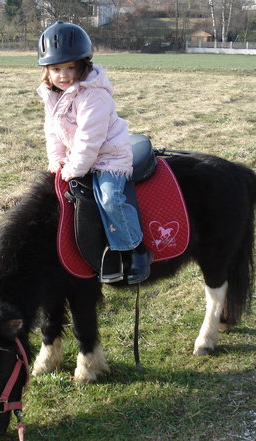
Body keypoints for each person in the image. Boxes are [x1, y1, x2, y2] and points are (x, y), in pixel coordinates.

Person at [36, 21, 153, 285]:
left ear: (83, 65)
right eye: (56, 69)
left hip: (109, 157)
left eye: (70, 67)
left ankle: (137, 249)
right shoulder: (54, 96)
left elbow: (91, 139)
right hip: (84, 155)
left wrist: (75, 168)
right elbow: (52, 132)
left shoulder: (94, 95)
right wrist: (56, 160)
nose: (63, 75)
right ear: (47, 70)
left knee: (110, 197)